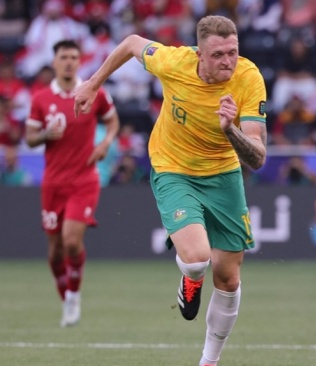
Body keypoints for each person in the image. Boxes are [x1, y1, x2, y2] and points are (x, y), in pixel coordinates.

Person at [73, 15, 267, 366]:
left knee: (228, 277)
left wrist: (230, 130)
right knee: (197, 260)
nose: (228, 61)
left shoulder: (249, 78)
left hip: (224, 174)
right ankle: (190, 280)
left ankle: (209, 361)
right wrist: (92, 84)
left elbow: (257, 157)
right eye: (219, 54)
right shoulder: (173, 61)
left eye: (233, 52)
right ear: (199, 55)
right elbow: (132, 42)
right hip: (173, 168)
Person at [25, 39, 119, 327]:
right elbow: (29, 139)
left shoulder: (94, 93)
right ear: (54, 62)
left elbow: (113, 122)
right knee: (54, 249)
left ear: (80, 62)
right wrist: (45, 135)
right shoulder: (41, 98)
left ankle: (73, 298)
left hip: (85, 178)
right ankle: (64, 294)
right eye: (63, 57)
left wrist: (105, 143)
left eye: (73, 57)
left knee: (71, 242)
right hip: (53, 182)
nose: (68, 61)